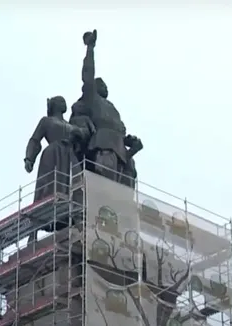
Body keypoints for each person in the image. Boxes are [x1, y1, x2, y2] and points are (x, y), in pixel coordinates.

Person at [71, 29, 143, 183]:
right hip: (104, 147)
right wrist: (90, 48)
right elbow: (88, 75)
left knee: (124, 193)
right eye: (101, 84)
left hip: (122, 153)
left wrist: (131, 142)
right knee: (106, 188)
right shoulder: (93, 99)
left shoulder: (112, 108)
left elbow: (122, 130)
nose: (106, 87)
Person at [24, 96, 92, 240]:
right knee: (47, 188)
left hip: (70, 156)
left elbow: (85, 134)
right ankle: (33, 233)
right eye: (61, 101)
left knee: (77, 185)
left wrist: (84, 128)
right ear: (54, 105)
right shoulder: (46, 121)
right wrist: (30, 158)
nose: (64, 103)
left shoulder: (70, 124)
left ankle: (78, 221)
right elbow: (35, 139)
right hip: (53, 154)